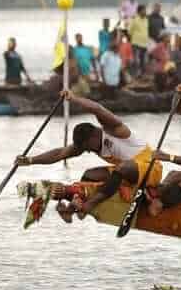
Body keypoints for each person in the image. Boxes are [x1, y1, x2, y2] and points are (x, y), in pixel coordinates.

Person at [15, 91, 163, 222]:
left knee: (122, 168)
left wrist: (73, 98)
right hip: (125, 173)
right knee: (89, 175)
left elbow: (96, 108)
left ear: (93, 137)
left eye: (86, 147)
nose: (86, 151)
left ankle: (89, 205)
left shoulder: (113, 129)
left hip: (150, 169)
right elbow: (59, 154)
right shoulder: (87, 143)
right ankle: (72, 210)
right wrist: (29, 160)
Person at [128, 4, 150, 76]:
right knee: (136, 60)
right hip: (136, 44)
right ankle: (135, 75)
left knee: (143, 61)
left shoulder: (146, 20)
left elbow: (146, 31)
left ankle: (142, 75)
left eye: (145, 10)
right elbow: (129, 31)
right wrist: (135, 38)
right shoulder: (134, 20)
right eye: (144, 10)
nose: (145, 12)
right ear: (139, 11)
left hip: (144, 44)